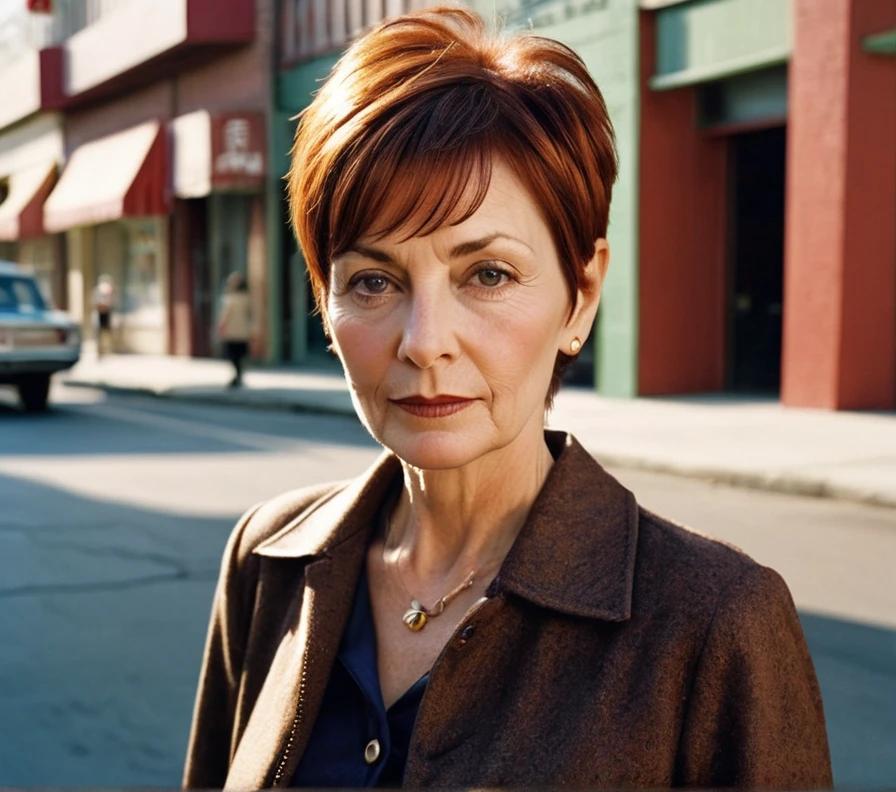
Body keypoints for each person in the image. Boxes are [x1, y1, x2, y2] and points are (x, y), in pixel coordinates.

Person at [183, 8, 832, 789]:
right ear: (326, 303)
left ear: (581, 294)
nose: (425, 341)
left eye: (486, 274)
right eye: (374, 281)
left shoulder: (713, 625)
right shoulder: (270, 561)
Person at [217, 271, 251, 387]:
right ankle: (238, 376)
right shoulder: (247, 298)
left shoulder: (231, 298)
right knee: (239, 356)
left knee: (232, 355)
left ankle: (237, 376)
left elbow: (225, 314)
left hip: (233, 331)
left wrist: (221, 326)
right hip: (243, 331)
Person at [93, 274, 115, 358]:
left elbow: (111, 301)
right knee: (99, 333)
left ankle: (107, 350)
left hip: (107, 314)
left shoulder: (108, 290)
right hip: (99, 314)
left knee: (106, 333)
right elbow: (95, 302)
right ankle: (100, 351)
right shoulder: (98, 290)